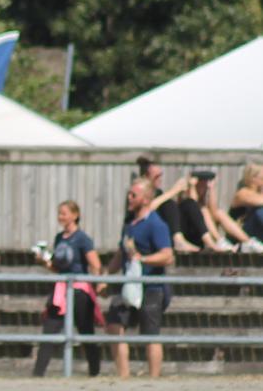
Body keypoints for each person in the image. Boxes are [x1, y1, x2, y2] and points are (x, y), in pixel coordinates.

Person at [98, 177, 174, 378]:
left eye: (134, 195)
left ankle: (153, 378)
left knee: (150, 334)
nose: (129, 198)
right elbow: (120, 253)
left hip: (151, 288)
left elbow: (167, 255)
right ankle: (124, 376)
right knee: (114, 325)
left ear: (147, 198)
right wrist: (107, 276)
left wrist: (144, 259)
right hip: (129, 286)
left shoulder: (155, 224)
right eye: (129, 194)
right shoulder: (129, 224)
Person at [32, 200, 104, 377]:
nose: (60, 217)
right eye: (59, 213)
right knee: (50, 329)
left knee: (86, 330)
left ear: (75, 215)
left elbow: (95, 264)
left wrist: (99, 282)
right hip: (61, 290)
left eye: (64, 213)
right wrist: (45, 262)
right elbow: (58, 267)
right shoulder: (59, 238)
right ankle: (38, 373)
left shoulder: (82, 239)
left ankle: (94, 371)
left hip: (79, 290)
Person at [136, 155, 193, 252]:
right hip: (145, 232)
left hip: (163, 231)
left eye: (161, 175)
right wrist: (174, 191)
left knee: (189, 204)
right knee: (169, 203)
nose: (160, 179)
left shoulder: (158, 193)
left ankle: (182, 239)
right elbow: (147, 209)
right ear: (146, 177)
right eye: (156, 176)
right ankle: (178, 240)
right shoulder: (139, 193)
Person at [229, 162, 263, 244]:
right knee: (259, 212)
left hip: (256, 232)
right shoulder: (242, 193)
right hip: (242, 231)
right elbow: (259, 201)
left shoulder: (258, 194)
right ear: (253, 178)